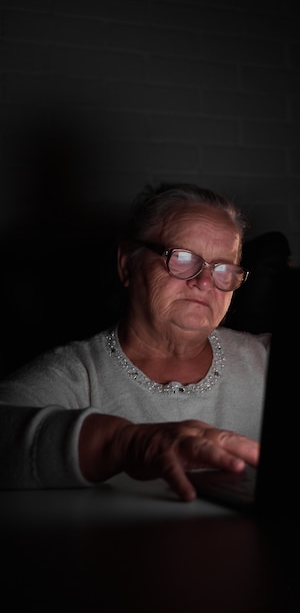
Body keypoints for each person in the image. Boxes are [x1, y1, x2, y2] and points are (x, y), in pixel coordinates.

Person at [0, 183, 270, 502]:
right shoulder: (76, 375)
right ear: (127, 264)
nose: (204, 282)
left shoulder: (266, 358)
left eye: (223, 268)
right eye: (182, 258)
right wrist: (124, 444)